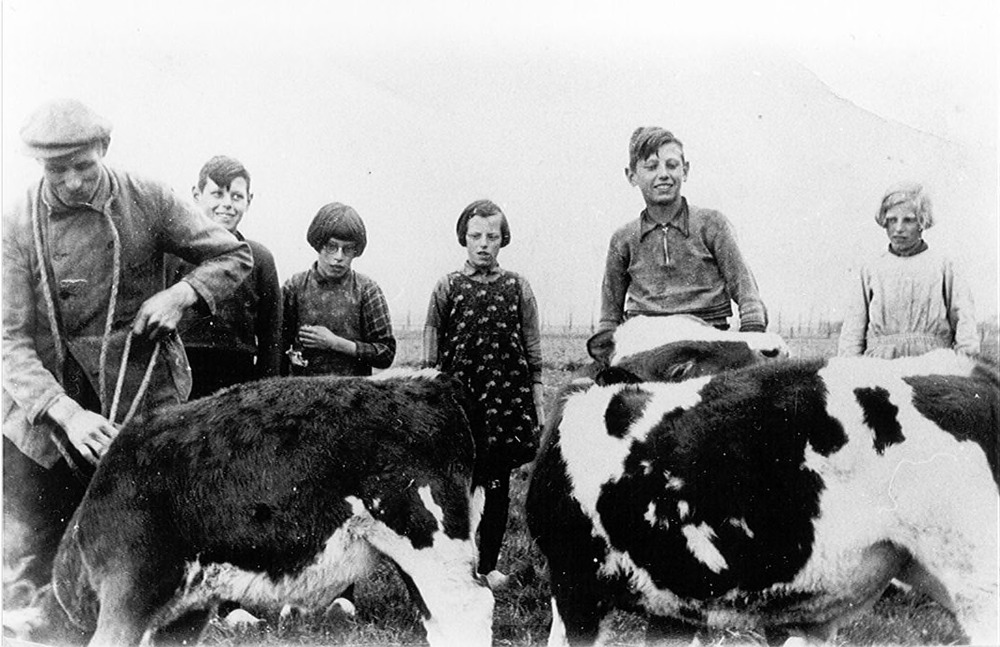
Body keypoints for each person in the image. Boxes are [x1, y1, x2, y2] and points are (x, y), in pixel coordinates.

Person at [2, 98, 253, 588]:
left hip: (140, 394)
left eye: (83, 165)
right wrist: (67, 414)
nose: (72, 181)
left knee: (147, 545)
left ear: (104, 147)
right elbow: (9, 340)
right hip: (47, 411)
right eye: (56, 169)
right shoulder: (14, 224)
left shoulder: (148, 198)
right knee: (31, 557)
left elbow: (233, 256)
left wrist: (182, 295)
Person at [423, 199, 545, 590]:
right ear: (464, 238)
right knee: (456, 490)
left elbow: (533, 352)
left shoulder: (518, 287)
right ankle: (455, 567)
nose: (483, 244)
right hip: (461, 406)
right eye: (475, 236)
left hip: (506, 407)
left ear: (502, 239)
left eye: (492, 236)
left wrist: (537, 404)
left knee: (497, 490)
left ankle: (488, 568)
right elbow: (430, 350)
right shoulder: (447, 287)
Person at [599, 126, 768, 333]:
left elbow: (745, 288)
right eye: (651, 167)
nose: (663, 174)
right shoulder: (623, 238)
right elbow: (609, 314)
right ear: (632, 176)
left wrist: (753, 326)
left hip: (707, 336)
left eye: (672, 165)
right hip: (645, 339)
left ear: (685, 170)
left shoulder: (712, 224)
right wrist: (605, 339)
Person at [168, 156, 282, 398]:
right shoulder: (174, 256)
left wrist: (267, 393)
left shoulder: (260, 259)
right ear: (197, 195)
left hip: (238, 379)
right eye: (217, 194)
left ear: (249, 201)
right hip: (182, 373)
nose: (227, 204)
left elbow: (271, 334)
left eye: (237, 196)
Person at [837, 182, 979, 358]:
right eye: (892, 220)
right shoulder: (871, 269)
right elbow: (853, 329)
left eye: (908, 220)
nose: (898, 228)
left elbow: (964, 322)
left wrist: (965, 364)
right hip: (881, 363)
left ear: (922, 222)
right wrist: (849, 366)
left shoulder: (943, 266)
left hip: (932, 362)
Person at [281, 202, 396, 377]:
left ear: (356, 251)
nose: (338, 257)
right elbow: (276, 346)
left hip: (353, 391)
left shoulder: (367, 290)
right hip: (302, 391)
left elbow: (386, 354)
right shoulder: (294, 287)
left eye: (348, 249)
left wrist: (335, 343)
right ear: (318, 244)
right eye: (331, 246)